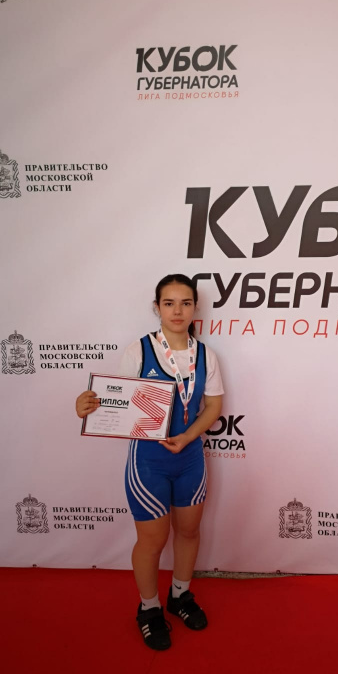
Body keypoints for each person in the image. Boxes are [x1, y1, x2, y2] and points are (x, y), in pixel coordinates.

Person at [76, 274, 223, 650]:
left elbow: (213, 406)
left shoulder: (206, 355)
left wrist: (188, 436)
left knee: (189, 531)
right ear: (157, 307)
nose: (177, 311)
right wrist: (88, 405)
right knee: (153, 540)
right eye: (169, 303)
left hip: (190, 458)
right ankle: (149, 607)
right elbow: (114, 400)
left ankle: (180, 595)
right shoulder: (139, 350)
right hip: (148, 461)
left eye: (185, 303)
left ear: (195, 307)